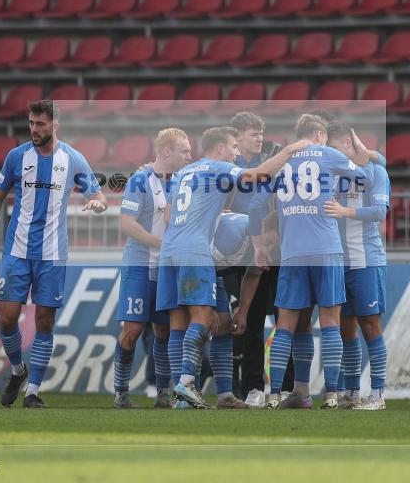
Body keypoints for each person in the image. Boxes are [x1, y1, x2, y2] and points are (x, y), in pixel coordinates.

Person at [157, 126, 311, 409]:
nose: (237, 154)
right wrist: (289, 151)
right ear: (220, 149)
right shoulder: (218, 167)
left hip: (170, 251)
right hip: (195, 251)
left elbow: (168, 214)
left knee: (184, 323)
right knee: (201, 319)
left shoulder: (182, 173)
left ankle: (206, 394)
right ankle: (187, 385)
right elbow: (258, 176)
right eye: (234, 148)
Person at [0, 100, 107, 409]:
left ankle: (32, 392)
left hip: (52, 253)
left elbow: (97, 195)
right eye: (31, 123)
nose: (33, 129)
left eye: (40, 124)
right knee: (7, 317)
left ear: (55, 125)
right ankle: (18, 371)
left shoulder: (72, 159)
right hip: (17, 250)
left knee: (44, 321)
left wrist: (98, 204)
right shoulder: (17, 157)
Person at [249, 115, 376, 410]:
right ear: (320, 135)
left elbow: (256, 206)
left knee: (287, 325)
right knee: (330, 322)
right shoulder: (329, 154)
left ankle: (275, 394)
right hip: (326, 250)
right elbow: (365, 178)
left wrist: (259, 245)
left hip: (292, 252)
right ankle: (332, 394)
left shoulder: (281, 160)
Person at [113, 128, 192, 409]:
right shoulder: (140, 180)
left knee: (163, 331)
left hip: (166, 270)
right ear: (167, 151)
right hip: (139, 266)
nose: (189, 156)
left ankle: (163, 392)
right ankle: (121, 392)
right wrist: (160, 243)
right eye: (184, 151)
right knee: (133, 329)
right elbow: (127, 223)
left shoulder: (182, 180)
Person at [324, 122, 391, 411]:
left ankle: (377, 394)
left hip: (366, 261)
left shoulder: (376, 172)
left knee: (370, 325)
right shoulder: (329, 174)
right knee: (345, 328)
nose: (331, 153)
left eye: (335, 147)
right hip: (338, 262)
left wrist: (346, 211)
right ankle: (352, 392)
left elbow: (379, 212)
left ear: (350, 145)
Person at [224, 112, 289, 405]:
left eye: (261, 131)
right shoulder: (229, 168)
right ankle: (253, 388)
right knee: (250, 319)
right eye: (253, 133)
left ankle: (285, 387)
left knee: (285, 318)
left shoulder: (274, 161)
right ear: (236, 137)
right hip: (244, 253)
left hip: (276, 250)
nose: (259, 137)